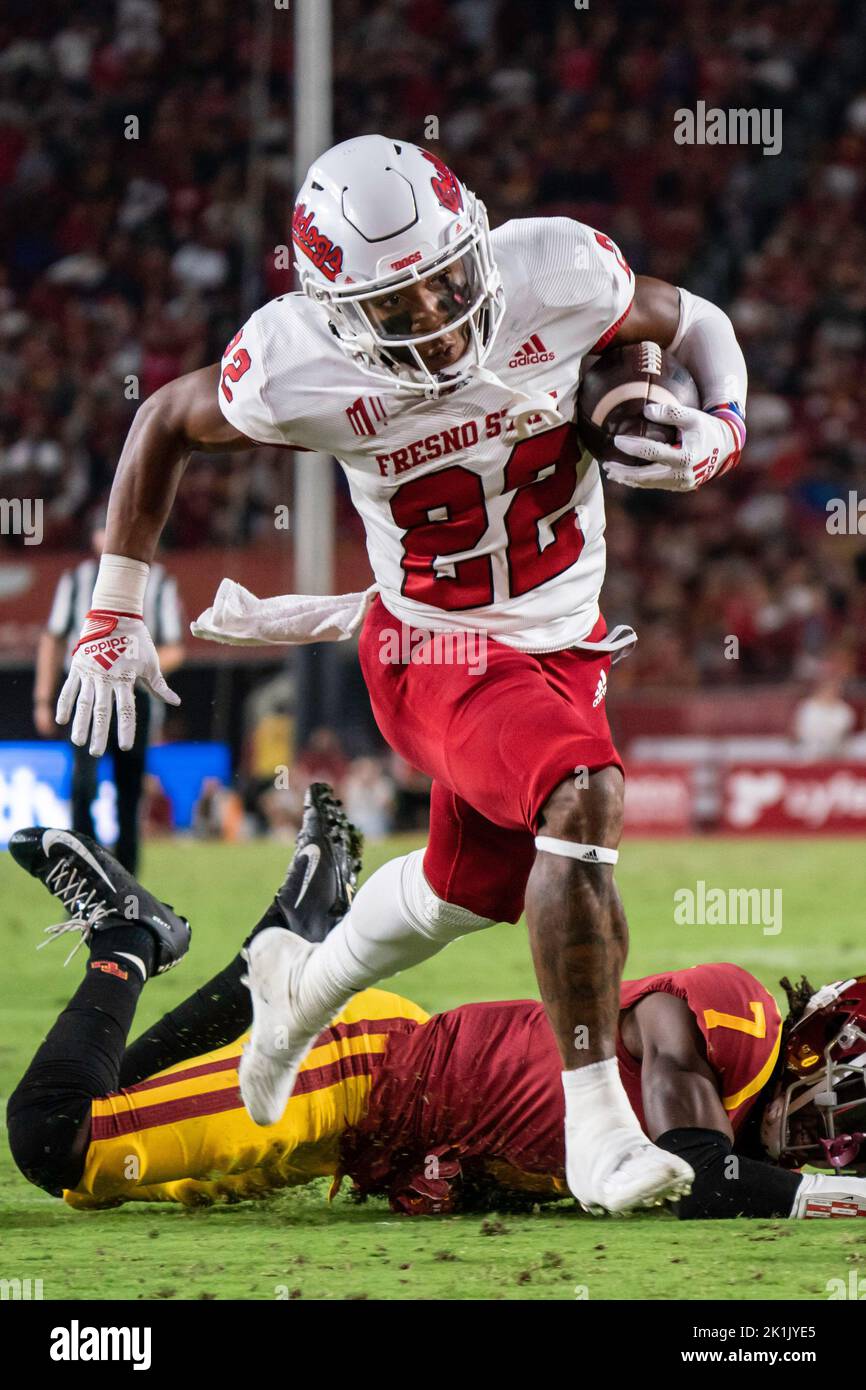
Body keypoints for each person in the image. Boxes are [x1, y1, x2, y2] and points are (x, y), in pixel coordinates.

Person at [52, 135, 749, 1213]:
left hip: (562, 643)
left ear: (476, 241)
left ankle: (299, 985)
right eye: (397, 307)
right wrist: (112, 604)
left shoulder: (555, 271)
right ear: (334, 312)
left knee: (466, 892)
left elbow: (689, 318)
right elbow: (162, 422)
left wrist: (720, 429)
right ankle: (597, 1130)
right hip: (433, 646)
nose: (432, 317)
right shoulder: (291, 362)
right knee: (583, 795)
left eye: (444, 284)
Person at [6, 787, 866, 1222]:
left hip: (378, 1132)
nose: (837, 1138)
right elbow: (704, 1176)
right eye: (851, 1099)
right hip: (365, 1073)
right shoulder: (740, 1019)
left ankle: (285, 945)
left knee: (95, 1174)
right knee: (57, 1139)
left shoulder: (743, 1115)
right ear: (819, 1043)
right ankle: (130, 939)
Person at [33, 520, 184, 872]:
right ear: (95, 537)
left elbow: (176, 648)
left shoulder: (159, 583)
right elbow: (52, 638)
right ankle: (87, 871)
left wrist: (135, 667)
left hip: (133, 698)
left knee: (129, 791)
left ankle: (128, 885)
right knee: (82, 785)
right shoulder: (75, 580)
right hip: (85, 690)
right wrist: (43, 698)